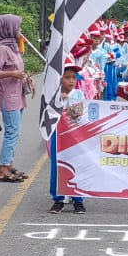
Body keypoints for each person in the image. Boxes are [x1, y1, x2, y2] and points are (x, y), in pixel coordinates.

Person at [0, 14, 32, 183]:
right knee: (12, 132)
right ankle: (2, 169)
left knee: (16, 132)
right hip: (9, 97)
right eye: (17, 27)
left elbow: (17, 70)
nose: (20, 31)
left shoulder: (13, 47)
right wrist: (13, 73)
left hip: (17, 95)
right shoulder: (2, 49)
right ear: (8, 29)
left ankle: (9, 165)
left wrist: (25, 77)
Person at [49, 63, 86, 214]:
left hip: (75, 136)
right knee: (57, 166)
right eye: (67, 78)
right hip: (57, 135)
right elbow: (48, 112)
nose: (71, 81)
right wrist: (59, 100)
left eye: (73, 78)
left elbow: (77, 113)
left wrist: (68, 102)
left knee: (77, 164)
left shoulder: (78, 94)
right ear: (60, 79)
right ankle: (58, 199)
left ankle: (78, 199)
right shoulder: (53, 94)